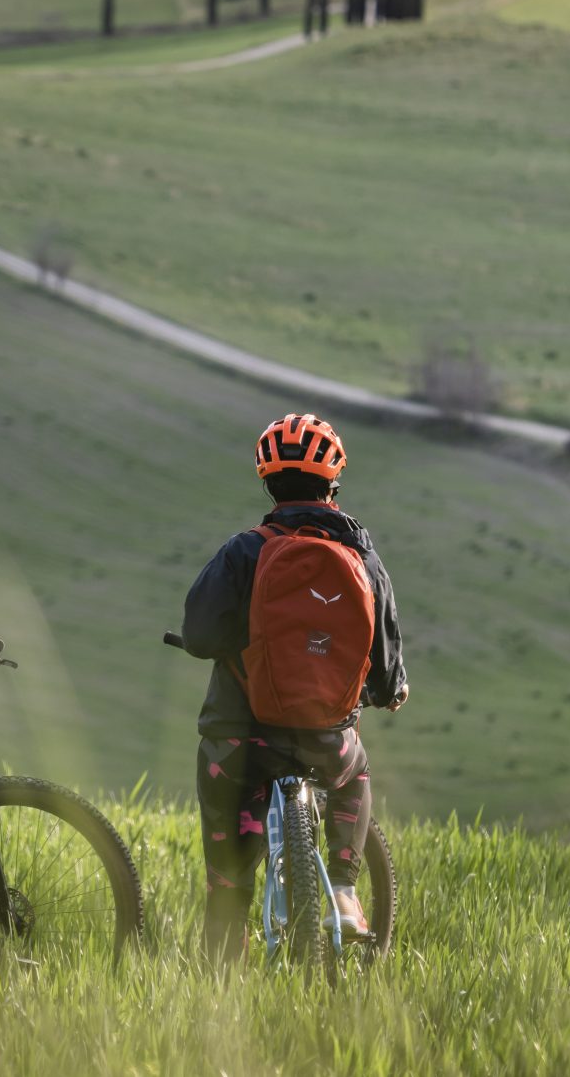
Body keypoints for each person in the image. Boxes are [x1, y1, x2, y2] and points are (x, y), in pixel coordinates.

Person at [179, 412, 407, 961]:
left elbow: (199, 635)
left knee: (227, 879)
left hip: (240, 740)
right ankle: (347, 892)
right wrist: (387, 689)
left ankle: (221, 978)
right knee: (355, 775)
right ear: (334, 484)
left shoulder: (244, 551)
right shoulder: (362, 556)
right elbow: (384, 650)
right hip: (326, 738)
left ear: (267, 483)